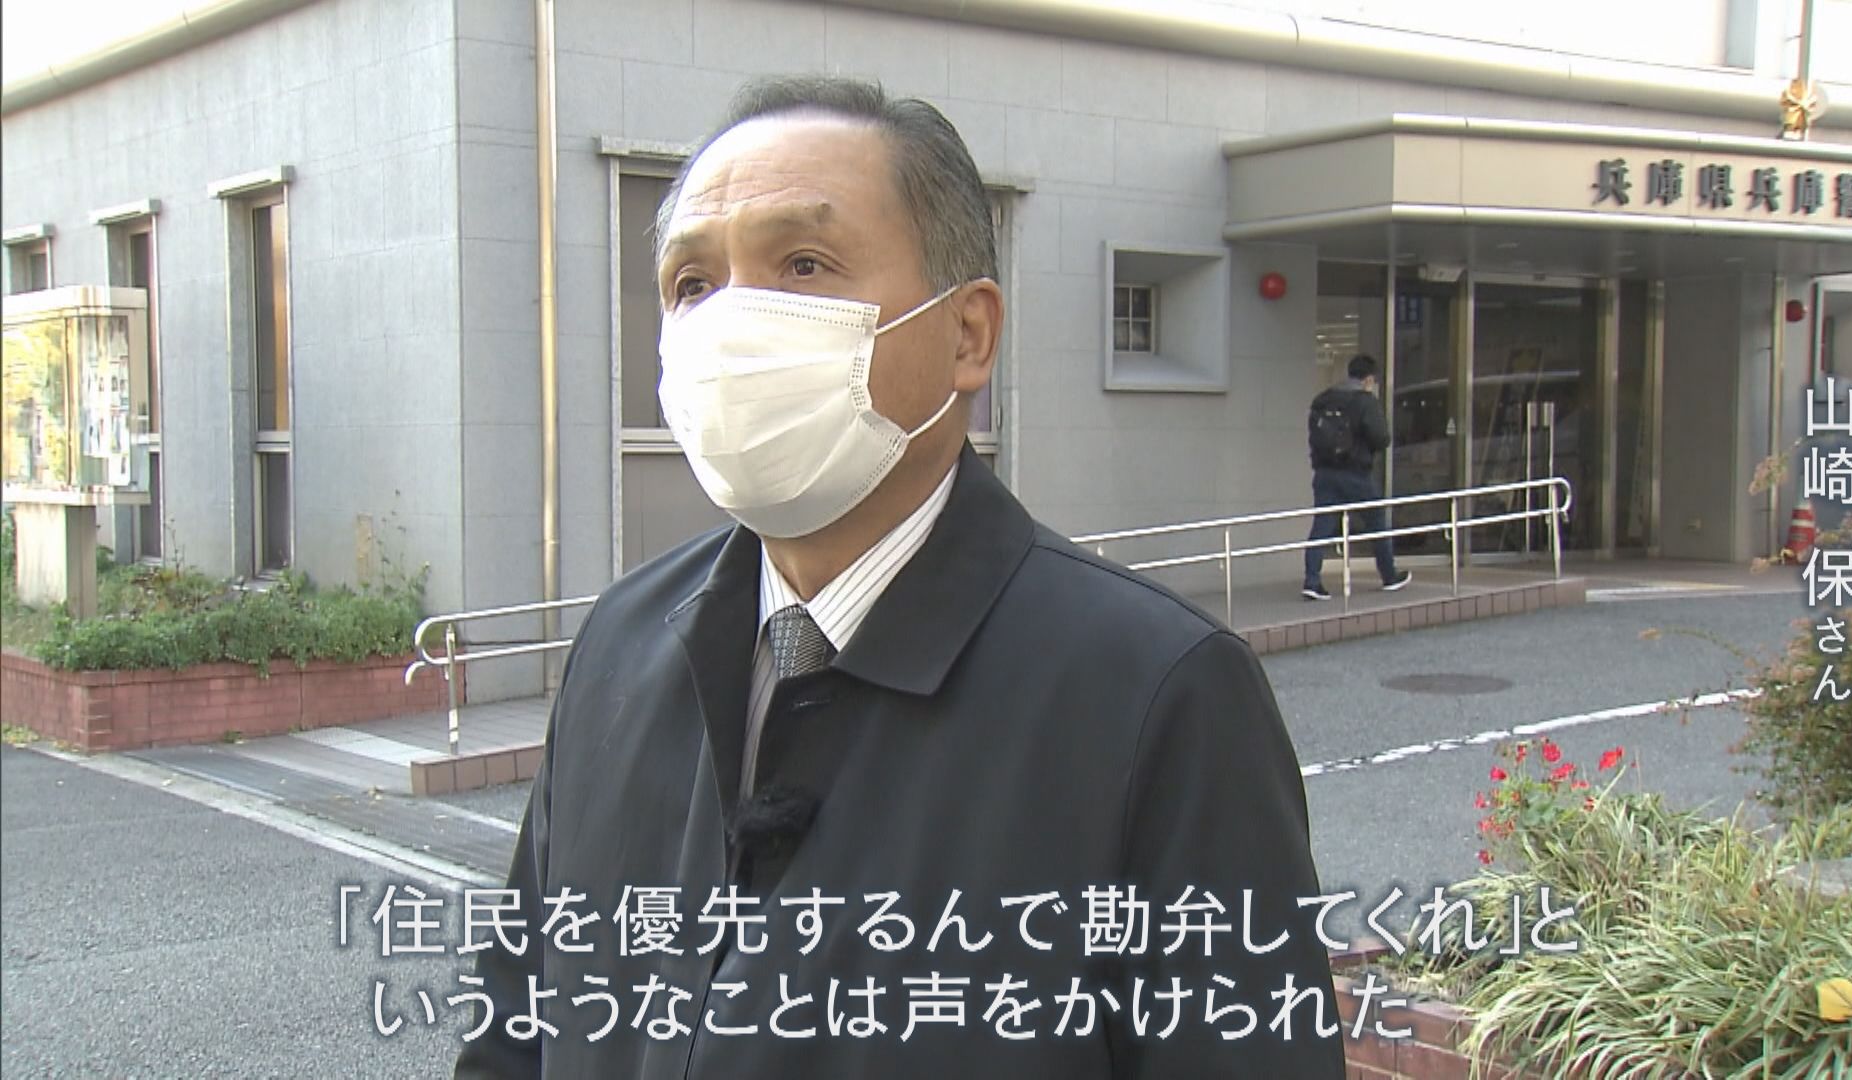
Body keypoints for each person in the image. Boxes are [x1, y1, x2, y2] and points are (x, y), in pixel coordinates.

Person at [453, 76, 1343, 1079]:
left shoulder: (1156, 695)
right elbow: (514, 1030)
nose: (732, 323)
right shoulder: (622, 641)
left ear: (968, 334)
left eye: (803, 263)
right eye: (693, 284)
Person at [1302, 354, 1411, 600]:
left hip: (1325, 472)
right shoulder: (1365, 402)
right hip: (1356, 473)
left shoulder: (1324, 399)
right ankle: (1389, 575)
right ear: (1369, 379)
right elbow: (1381, 438)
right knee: (1376, 521)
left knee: (1322, 525)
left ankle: (1312, 580)